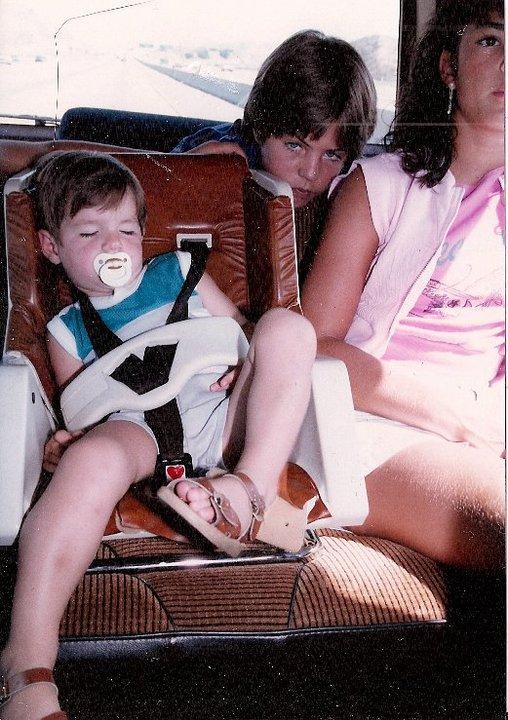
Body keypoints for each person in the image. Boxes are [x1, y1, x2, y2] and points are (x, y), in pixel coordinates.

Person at [0, 150, 317, 720]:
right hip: (138, 431)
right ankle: (27, 667)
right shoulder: (67, 331)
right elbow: (83, 406)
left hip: (222, 415)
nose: (113, 245)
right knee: (94, 458)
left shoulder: (179, 272)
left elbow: (246, 336)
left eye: (125, 229)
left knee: (287, 329)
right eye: (90, 232)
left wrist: (242, 362)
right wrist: (68, 445)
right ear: (51, 247)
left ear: (143, 234)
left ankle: (246, 491)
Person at [302, 0, 505, 571]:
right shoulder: (381, 185)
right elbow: (314, 349)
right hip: (377, 420)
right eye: (491, 40)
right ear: (449, 66)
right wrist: (457, 419)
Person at [172, 29, 377, 272]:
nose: (311, 173)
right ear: (260, 128)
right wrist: (179, 181)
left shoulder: (351, 191)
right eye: (295, 145)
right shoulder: (220, 153)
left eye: (331, 155)